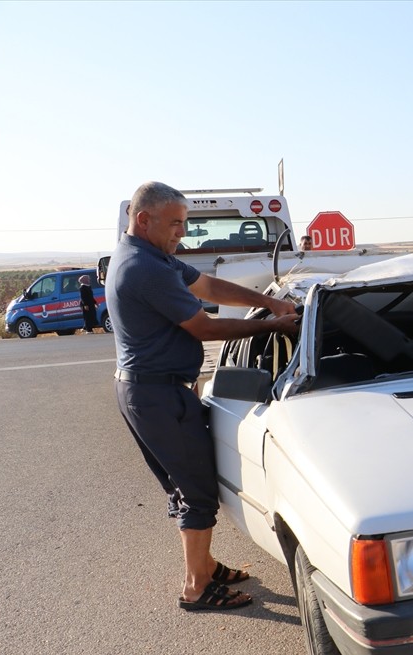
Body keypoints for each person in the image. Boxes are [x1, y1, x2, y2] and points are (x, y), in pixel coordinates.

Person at [107, 181, 300, 612]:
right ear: (143, 219)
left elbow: (208, 287)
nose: (182, 232)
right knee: (195, 492)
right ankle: (197, 587)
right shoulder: (144, 267)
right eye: (176, 224)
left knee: (185, 486)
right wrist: (272, 326)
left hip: (149, 390)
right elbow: (206, 327)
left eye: (185, 222)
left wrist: (266, 303)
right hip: (156, 394)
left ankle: (205, 565)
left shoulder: (151, 256)